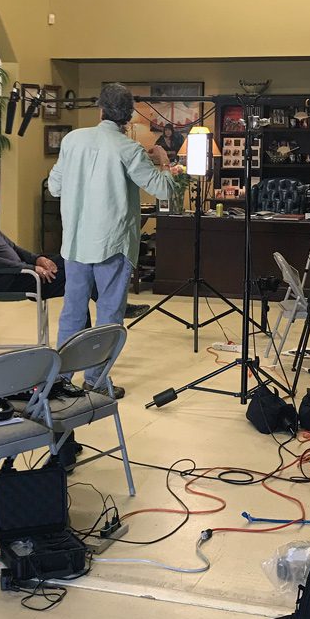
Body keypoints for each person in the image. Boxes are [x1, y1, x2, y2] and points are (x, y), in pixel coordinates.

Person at [48, 82, 180, 396]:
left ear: (101, 110)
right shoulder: (128, 148)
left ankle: (60, 379)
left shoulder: (73, 140)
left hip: (75, 243)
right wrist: (164, 162)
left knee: (73, 311)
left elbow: (55, 186)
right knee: (108, 316)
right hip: (113, 243)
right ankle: (95, 380)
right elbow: (162, 189)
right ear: (128, 117)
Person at [0, 172, 68, 299]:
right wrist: (31, 268)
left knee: (70, 259)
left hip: (20, 274)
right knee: (75, 275)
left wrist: (37, 259)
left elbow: (13, 247)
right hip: (5, 281)